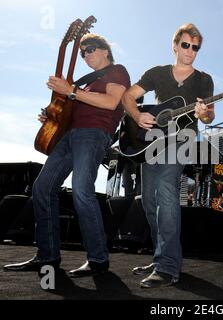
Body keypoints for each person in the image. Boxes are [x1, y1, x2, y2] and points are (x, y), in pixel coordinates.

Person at [3, 34, 131, 278]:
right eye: (82, 52)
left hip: (94, 134)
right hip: (69, 135)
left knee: (81, 190)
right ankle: (47, 255)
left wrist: (70, 90)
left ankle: (97, 259)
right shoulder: (84, 84)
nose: (85, 55)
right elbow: (73, 108)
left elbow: (112, 102)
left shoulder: (116, 71)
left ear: (105, 50)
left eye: (90, 49)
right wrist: (53, 115)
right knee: (41, 189)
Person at [122, 23, 215, 288]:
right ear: (175, 46)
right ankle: (159, 256)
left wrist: (203, 114)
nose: (190, 51)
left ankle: (168, 267)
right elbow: (128, 97)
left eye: (195, 47)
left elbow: (209, 116)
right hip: (152, 140)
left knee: (165, 188)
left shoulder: (203, 79)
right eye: (185, 45)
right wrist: (138, 115)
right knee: (149, 202)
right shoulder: (156, 73)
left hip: (182, 138)